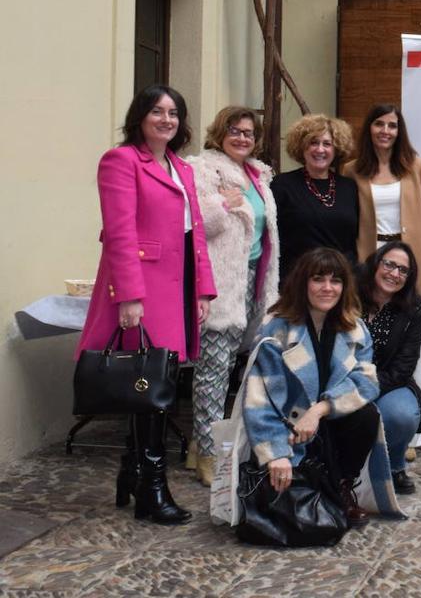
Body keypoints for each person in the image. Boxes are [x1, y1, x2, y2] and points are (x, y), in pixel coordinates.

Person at [75, 84, 216, 524]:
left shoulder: (182, 168)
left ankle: (133, 470)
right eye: (157, 111)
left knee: (160, 379)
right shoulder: (120, 162)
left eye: (174, 113)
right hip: (141, 288)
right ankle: (152, 487)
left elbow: (195, 237)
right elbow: (119, 233)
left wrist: (204, 290)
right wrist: (129, 296)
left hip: (177, 290)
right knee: (147, 383)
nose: (166, 120)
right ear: (140, 116)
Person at [244, 248, 398, 528]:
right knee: (290, 514)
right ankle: (305, 478)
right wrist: (275, 453)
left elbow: (367, 381)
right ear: (303, 283)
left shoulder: (354, 327)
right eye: (318, 279)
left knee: (367, 416)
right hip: (287, 428)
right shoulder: (276, 327)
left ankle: (342, 487)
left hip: (327, 422)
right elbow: (259, 398)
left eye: (335, 280)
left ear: (344, 286)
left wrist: (318, 410)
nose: (327, 288)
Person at [186, 106, 280, 487]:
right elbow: (197, 223)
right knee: (214, 369)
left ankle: (199, 444)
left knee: (234, 366)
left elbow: (264, 230)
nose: (242, 138)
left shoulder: (257, 174)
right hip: (222, 284)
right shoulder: (203, 168)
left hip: (255, 281)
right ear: (219, 133)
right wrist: (223, 202)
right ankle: (208, 453)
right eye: (235, 131)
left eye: (249, 133)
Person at [357, 241, 421, 496]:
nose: (394, 274)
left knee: (401, 415)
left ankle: (395, 465)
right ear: (376, 264)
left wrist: (367, 389)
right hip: (346, 380)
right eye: (389, 265)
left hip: (390, 382)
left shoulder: (413, 310)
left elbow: (404, 366)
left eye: (403, 270)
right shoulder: (349, 298)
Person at [345, 104, 421, 299]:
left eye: (392, 125)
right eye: (379, 124)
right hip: (372, 256)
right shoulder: (352, 170)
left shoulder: (416, 166)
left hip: (415, 256)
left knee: (415, 322)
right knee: (374, 319)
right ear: (369, 128)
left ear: (399, 131)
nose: (385, 131)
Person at [273, 114, 359, 281]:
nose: (320, 149)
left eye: (327, 144)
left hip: (341, 282)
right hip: (297, 282)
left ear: (337, 149)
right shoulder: (282, 185)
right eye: (313, 142)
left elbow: (355, 241)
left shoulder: (350, 187)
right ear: (301, 147)